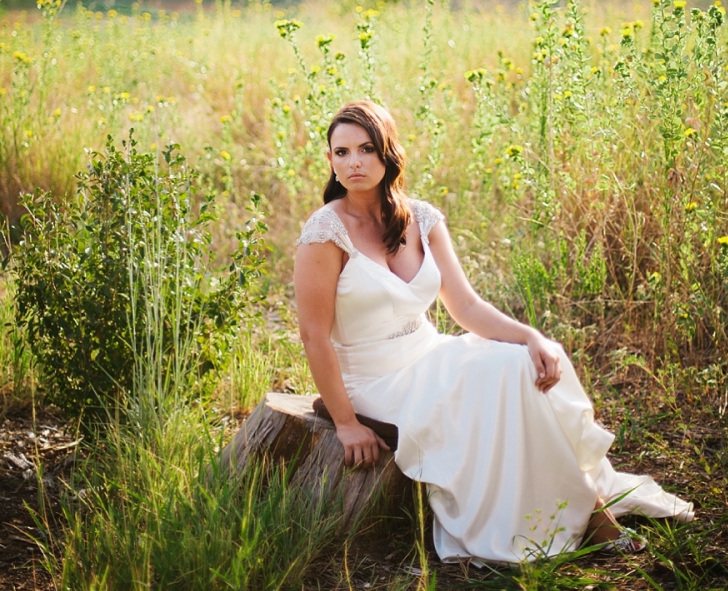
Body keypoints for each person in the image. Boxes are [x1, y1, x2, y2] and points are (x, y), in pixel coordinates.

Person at [294, 100, 692, 563]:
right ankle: (594, 517)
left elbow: (465, 306)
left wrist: (531, 337)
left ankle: (582, 503)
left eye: (365, 149)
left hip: (429, 355)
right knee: (496, 378)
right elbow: (313, 336)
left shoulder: (421, 219)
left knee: (518, 364)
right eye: (340, 152)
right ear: (329, 161)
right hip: (374, 381)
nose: (354, 162)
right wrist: (345, 423)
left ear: (389, 153)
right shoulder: (325, 232)